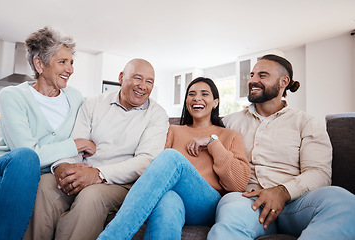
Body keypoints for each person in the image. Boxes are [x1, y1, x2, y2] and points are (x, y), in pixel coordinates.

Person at [208, 54, 355, 240]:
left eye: (262, 75)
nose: (253, 80)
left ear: (284, 81)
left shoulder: (306, 122)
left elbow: (319, 173)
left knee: (344, 201)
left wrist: (283, 191)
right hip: (247, 202)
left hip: (296, 203)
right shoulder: (230, 122)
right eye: (252, 75)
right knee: (231, 214)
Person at [0, 26, 92, 240]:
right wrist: (76, 144)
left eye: (71, 62)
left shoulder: (76, 97)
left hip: (29, 179)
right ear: (39, 64)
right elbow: (28, 153)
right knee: (26, 157)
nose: (70, 69)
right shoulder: (12, 96)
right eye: (62, 62)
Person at [23, 58, 169, 240]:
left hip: (121, 183)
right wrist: (63, 166)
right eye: (137, 78)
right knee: (45, 184)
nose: (143, 86)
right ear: (121, 77)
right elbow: (75, 142)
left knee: (91, 196)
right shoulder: (93, 103)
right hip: (84, 171)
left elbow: (145, 161)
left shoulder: (157, 115)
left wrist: (99, 174)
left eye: (149, 82)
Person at [98, 77, 251, 240]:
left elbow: (238, 183)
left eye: (204, 94)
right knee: (167, 200)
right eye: (191, 94)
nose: (197, 98)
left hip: (207, 205)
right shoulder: (172, 131)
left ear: (215, 102)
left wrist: (212, 143)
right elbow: (156, 173)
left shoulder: (229, 135)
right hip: (174, 198)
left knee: (171, 157)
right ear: (186, 102)